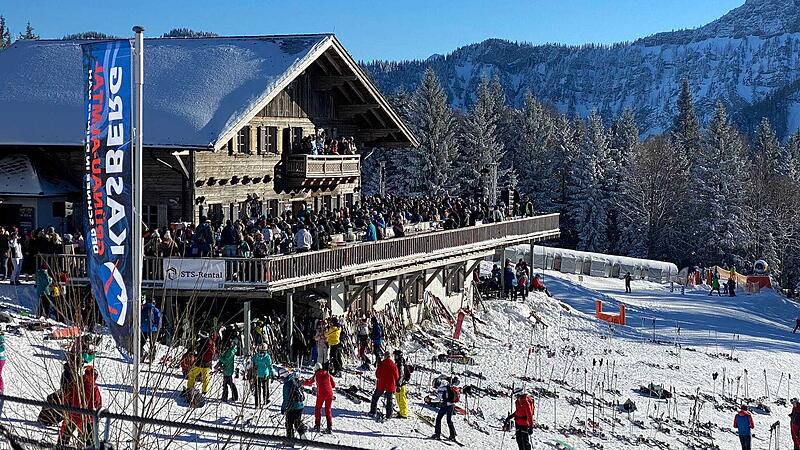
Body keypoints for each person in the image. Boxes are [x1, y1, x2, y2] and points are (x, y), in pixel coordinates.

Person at [303, 362, 336, 433]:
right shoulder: (327, 373)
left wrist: (302, 381)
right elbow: (333, 385)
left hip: (321, 394)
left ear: (315, 369)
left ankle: (317, 426)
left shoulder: (316, 375)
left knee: (318, 409)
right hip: (330, 394)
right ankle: (329, 427)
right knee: (328, 410)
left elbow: (309, 382)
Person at [369, 351, 398, 419]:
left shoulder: (381, 364)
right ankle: (389, 415)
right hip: (390, 385)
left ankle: (373, 412)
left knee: (375, 398)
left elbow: (377, 375)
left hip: (381, 384)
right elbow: (397, 376)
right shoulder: (393, 365)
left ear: (385, 356)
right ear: (390, 356)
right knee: (389, 401)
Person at [187, 331, 216, 396]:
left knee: (192, 374)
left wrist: (196, 355)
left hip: (200, 363)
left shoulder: (203, 342)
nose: (199, 337)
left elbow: (201, 352)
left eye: (200, 336)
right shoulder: (210, 342)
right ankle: (204, 391)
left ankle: (189, 388)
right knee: (205, 378)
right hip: (207, 364)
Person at [281, 370, 307, 439]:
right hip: (300, 405)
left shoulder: (286, 385)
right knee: (297, 422)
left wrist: (283, 409)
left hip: (292, 407)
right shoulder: (295, 381)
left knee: (289, 423)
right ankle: (302, 434)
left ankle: (290, 440)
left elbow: (286, 399)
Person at [431, 376, 459, 441]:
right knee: (449, 420)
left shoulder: (441, 388)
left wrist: (430, 400)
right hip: (451, 405)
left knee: (438, 419)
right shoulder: (447, 383)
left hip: (445, 405)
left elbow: (438, 399)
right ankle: (453, 435)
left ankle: (437, 434)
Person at [218, 338, 238, 403]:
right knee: (229, 383)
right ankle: (233, 396)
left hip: (228, 369)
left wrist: (220, 357)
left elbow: (226, 360)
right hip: (228, 369)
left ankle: (225, 397)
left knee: (226, 384)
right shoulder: (230, 350)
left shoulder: (230, 352)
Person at [393, 349, 411, 418]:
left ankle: (404, 413)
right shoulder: (400, 362)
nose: (395, 356)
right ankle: (402, 411)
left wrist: (398, 385)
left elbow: (401, 374)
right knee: (399, 398)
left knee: (401, 398)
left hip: (401, 384)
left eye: (396, 355)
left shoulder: (400, 363)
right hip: (400, 384)